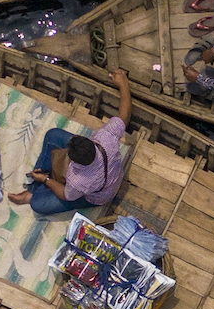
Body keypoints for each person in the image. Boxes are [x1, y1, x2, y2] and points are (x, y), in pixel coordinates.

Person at [12, 65, 130, 217]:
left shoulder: (77, 180)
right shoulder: (106, 138)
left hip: (97, 196)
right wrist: (123, 84)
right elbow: (124, 114)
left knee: (37, 204)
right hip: (105, 170)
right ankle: (37, 182)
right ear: (91, 143)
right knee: (54, 135)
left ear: (73, 161)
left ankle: (35, 187)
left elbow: (65, 194)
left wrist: (46, 179)